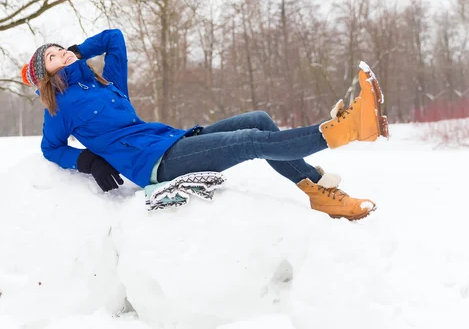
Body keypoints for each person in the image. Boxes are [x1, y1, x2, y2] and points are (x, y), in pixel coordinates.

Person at [21, 29, 389, 221]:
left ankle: (319, 193)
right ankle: (345, 130)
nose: (61, 52)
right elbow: (50, 148)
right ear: (46, 76)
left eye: (58, 48)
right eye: (52, 56)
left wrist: (78, 51)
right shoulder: (60, 106)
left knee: (258, 120)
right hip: (155, 165)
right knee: (249, 141)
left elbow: (115, 38)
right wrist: (87, 161)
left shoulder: (106, 84)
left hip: (170, 141)